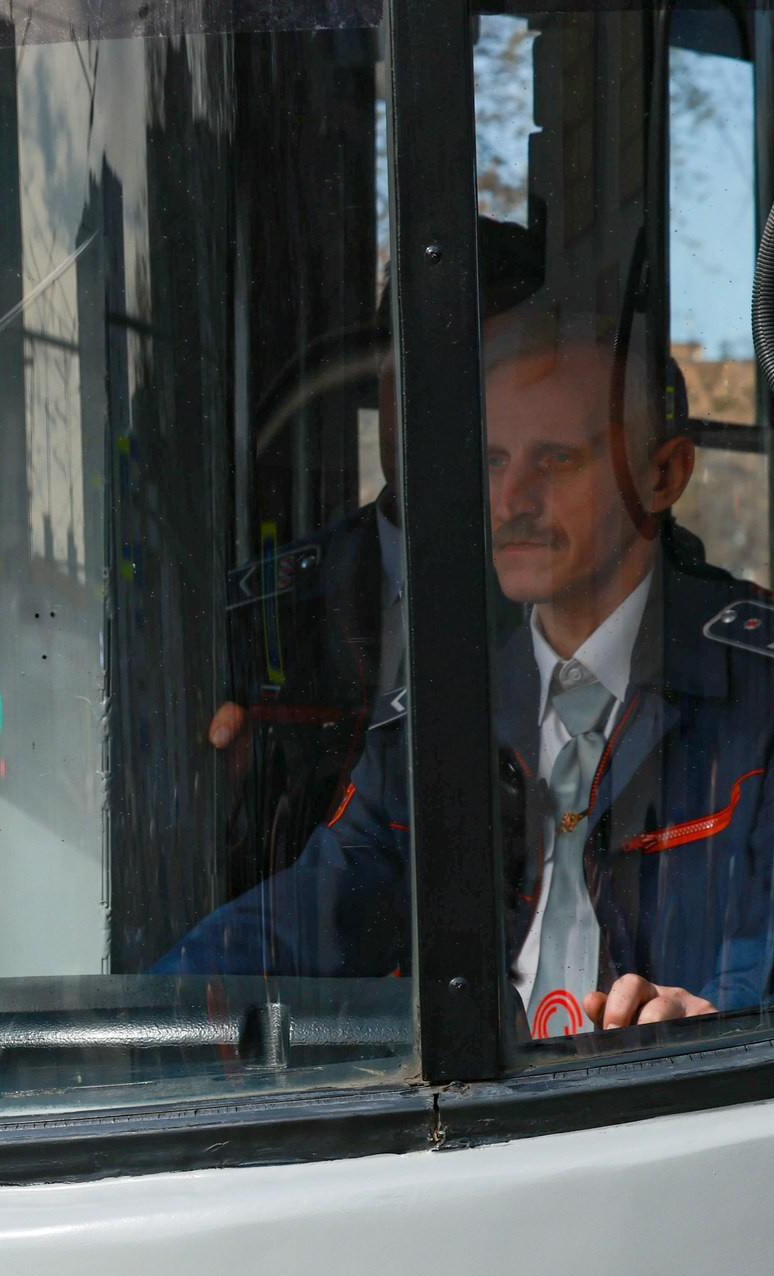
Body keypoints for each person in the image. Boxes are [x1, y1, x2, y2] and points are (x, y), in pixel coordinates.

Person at [155, 309, 774, 1034]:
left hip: (683, 1103)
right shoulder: (442, 714)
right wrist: (151, 1014)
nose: (510, 502)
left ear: (664, 475)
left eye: (556, 460)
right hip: (494, 1112)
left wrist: (709, 1021)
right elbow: (310, 909)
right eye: (493, 462)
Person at [199, 217, 546, 901]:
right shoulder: (255, 620)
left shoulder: (588, 604)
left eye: (488, 373)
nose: (443, 405)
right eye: (414, 365)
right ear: (379, 378)